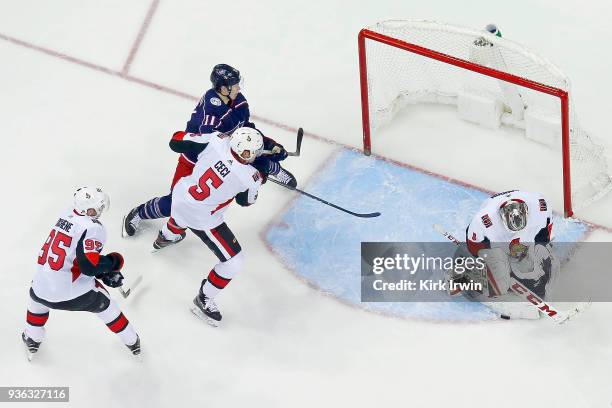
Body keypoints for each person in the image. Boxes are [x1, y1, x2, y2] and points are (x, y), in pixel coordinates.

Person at [123, 64, 295, 240]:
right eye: (234, 84)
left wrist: (269, 145)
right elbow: (216, 147)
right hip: (197, 159)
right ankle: (139, 212)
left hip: (224, 153)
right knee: (176, 202)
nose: (238, 87)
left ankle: (272, 167)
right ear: (222, 88)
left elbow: (246, 129)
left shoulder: (239, 100)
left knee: (248, 159)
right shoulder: (211, 114)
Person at [151, 127, 264, 326]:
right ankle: (203, 300)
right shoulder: (250, 177)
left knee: (181, 212)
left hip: (181, 195)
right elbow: (245, 202)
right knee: (234, 262)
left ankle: (165, 237)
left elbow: (176, 141)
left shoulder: (216, 140)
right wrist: (261, 177)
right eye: (252, 152)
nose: (254, 155)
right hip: (202, 218)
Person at [23, 187, 140, 360]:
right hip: (71, 294)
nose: (99, 211)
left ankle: (32, 338)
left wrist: (101, 271)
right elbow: (88, 266)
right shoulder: (93, 228)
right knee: (107, 306)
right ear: (87, 209)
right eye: (97, 208)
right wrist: (112, 263)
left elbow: (73, 257)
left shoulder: (66, 214)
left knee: (38, 300)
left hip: (39, 286)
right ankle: (133, 342)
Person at [448, 190, 559, 319]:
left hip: (522, 243)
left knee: (544, 255)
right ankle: (461, 277)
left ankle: (532, 277)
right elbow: (474, 248)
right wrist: (491, 268)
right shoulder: (484, 221)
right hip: (498, 246)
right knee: (497, 278)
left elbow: (545, 238)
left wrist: (532, 253)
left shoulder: (540, 207)